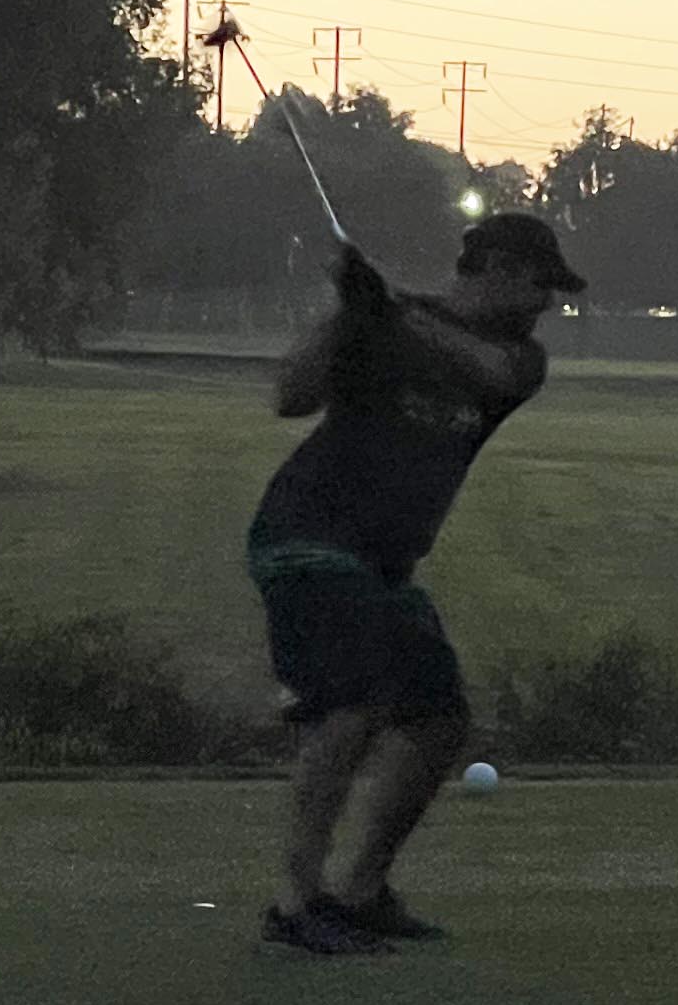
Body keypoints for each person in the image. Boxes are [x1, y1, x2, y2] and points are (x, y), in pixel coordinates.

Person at [244, 208, 582, 954]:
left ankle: (358, 890)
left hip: (385, 564)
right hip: (308, 536)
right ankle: (296, 906)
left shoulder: (519, 359)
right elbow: (290, 396)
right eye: (537, 283)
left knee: (437, 718)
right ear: (492, 267)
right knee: (351, 703)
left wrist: (390, 309)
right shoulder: (379, 321)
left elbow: (485, 371)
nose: (546, 303)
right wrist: (345, 313)